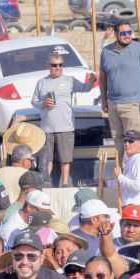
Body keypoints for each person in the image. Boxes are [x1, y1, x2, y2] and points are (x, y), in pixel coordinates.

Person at [31, 52, 96, 187]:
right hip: (47, 128)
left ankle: (65, 183)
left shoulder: (69, 80)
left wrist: (91, 80)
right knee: (47, 159)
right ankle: (46, 182)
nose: (58, 67)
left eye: (61, 65)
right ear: (48, 66)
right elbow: (34, 101)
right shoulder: (41, 82)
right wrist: (43, 104)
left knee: (65, 159)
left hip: (66, 127)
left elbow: (86, 88)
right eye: (54, 65)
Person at [98, 19, 140, 165]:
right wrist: (104, 100)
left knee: (132, 140)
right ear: (116, 34)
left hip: (132, 103)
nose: (127, 36)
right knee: (117, 141)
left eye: (129, 32)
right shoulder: (106, 51)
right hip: (112, 103)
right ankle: (120, 174)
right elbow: (102, 78)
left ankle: (134, 172)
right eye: (123, 33)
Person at [107, 131, 140, 220]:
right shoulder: (131, 160)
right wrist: (106, 183)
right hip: (130, 208)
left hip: (137, 210)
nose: (127, 144)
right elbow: (124, 184)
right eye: (125, 141)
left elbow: (138, 186)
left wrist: (120, 177)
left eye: (130, 141)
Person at [0, 156, 43, 225]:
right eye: (38, 189)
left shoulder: (13, 210)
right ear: (27, 190)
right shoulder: (19, 214)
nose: (40, 192)